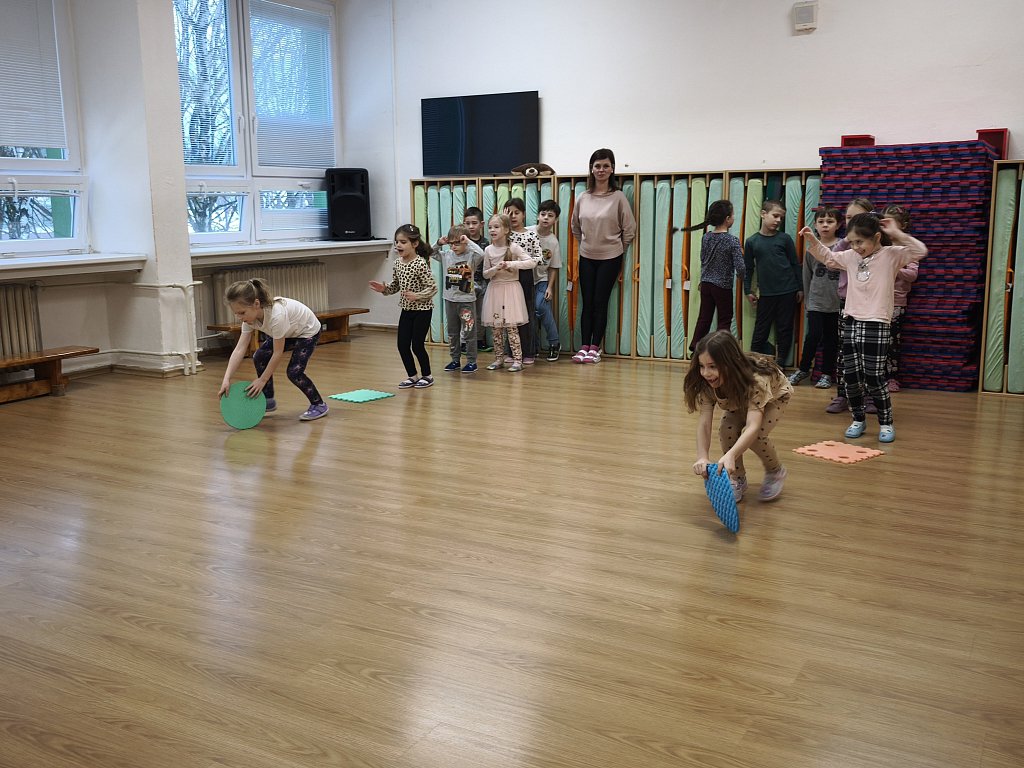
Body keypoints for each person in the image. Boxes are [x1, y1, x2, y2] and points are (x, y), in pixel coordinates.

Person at [800, 213, 927, 443]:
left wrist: (896, 233)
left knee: (874, 377)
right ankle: (858, 418)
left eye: (860, 241)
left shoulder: (890, 255)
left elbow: (920, 251)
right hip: (850, 321)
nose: (856, 247)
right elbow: (828, 257)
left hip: (877, 322)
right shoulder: (851, 256)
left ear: (876, 237)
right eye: (852, 242)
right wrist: (812, 239)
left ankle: (886, 422)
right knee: (850, 377)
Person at [684, 330, 792, 503]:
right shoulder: (707, 383)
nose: (706, 373)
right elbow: (704, 422)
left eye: (712, 366)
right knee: (727, 430)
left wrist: (731, 454)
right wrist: (702, 456)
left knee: (756, 436)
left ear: (730, 363)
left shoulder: (757, 380)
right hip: (737, 398)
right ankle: (737, 477)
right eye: (701, 366)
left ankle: (775, 471)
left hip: (774, 397)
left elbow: (753, 426)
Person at [217, 278, 328, 421]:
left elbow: (277, 353)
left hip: (307, 332)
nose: (239, 317)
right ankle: (268, 400)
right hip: (288, 331)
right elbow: (240, 349)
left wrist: (262, 380)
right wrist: (226, 379)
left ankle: (319, 404)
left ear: (256, 304)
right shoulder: (249, 319)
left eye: (242, 313)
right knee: (260, 356)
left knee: (294, 372)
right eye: (236, 313)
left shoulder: (276, 316)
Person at [570, 148, 637, 363]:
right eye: (597, 166)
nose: (601, 169)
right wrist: (587, 244)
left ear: (612, 169)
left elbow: (629, 229)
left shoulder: (618, 197)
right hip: (587, 256)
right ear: (591, 169)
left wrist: (617, 248)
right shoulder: (583, 197)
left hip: (611, 257)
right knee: (587, 302)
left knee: (600, 302)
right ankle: (584, 347)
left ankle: (595, 348)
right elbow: (575, 227)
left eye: (605, 166)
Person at [369, 224, 438, 389]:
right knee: (402, 345)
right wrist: (384, 289)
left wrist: (417, 296)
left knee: (417, 345)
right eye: (397, 242)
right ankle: (412, 376)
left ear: (414, 244)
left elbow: (432, 287)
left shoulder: (420, 263)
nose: (398, 245)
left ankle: (427, 376)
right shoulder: (398, 263)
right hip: (406, 310)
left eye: (403, 242)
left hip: (422, 311)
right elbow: (396, 285)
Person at [826, 197, 875, 414]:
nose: (851, 221)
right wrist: (848, 238)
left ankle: (870, 396)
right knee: (845, 351)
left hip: (871, 304)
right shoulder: (846, 245)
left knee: (870, 352)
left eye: (857, 218)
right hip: (847, 303)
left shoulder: (876, 246)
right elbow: (832, 259)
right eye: (848, 217)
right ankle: (843, 395)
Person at [744, 200, 803, 367]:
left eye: (781, 218)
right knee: (761, 328)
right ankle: (753, 362)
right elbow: (748, 268)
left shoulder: (785, 239)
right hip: (766, 293)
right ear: (763, 214)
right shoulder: (752, 241)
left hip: (788, 290)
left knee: (784, 328)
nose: (778, 220)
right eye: (775, 216)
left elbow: (794, 263)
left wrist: (800, 287)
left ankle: (781, 363)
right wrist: (748, 290)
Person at [682, 199, 745, 352]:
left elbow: (703, 260)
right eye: (733, 215)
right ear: (727, 219)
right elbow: (740, 267)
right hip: (722, 286)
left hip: (706, 284)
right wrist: (743, 276)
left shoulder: (706, 237)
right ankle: (721, 352)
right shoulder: (732, 240)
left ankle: (696, 348)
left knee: (704, 318)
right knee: (724, 319)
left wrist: (703, 279)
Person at [789, 206, 842, 388]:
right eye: (821, 222)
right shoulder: (811, 249)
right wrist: (808, 300)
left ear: (838, 225)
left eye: (830, 221)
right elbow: (807, 276)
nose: (825, 225)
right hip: (816, 302)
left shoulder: (843, 247)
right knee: (813, 336)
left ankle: (826, 374)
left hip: (836, 304)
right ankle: (803, 369)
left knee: (831, 339)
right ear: (816, 225)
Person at [482, 213, 536, 372]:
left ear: (506, 230)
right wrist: (495, 268)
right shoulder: (488, 250)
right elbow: (485, 274)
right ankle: (499, 359)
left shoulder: (513, 247)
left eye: (496, 227)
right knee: (496, 329)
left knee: (512, 327)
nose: (492, 230)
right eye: (490, 227)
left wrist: (511, 264)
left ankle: (518, 360)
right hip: (495, 290)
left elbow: (531, 262)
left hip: (511, 290)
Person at [431, 223, 484, 374]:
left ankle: (472, 361)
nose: (454, 246)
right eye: (451, 243)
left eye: (458, 243)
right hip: (450, 300)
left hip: (466, 301)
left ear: (465, 241)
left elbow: (481, 254)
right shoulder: (446, 255)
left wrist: (469, 241)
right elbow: (431, 253)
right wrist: (439, 243)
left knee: (469, 332)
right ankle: (455, 359)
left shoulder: (471, 256)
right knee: (452, 332)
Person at [882, 204, 918, 391]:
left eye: (892, 223)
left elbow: (912, 275)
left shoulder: (908, 247)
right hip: (876, 301)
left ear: (902, 225)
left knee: (892, 343)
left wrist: (896, 269)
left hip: (896, 302)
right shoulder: (880, 243)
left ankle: (892, 378)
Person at [504, 197, 541, 364]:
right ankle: (511, 352)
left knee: (527, 314)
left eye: (516, 212)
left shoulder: (531, 234)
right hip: (507, 276)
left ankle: (528, 352)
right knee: (509, 315)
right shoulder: (504, 233)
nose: (513, 216)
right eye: (509, 213)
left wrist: (520, 263)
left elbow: (538, 258)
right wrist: (503, 222)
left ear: (523, 214)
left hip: (525, 276)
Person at [528, 198, 563, 361]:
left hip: (542, 280)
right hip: (525, 279)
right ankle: (533, 346)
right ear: (538, 216)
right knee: (529, 313)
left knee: (540, 306)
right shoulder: (528, 232)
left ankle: (554, 343)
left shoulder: (553, 242)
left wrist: (550, 287)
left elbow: (554, 267)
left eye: (550, 215)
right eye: (543, 214)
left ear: (555, 220)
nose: (546, 218)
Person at [463, 206, 492, 352]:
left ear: (481, 224)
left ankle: (479, 340)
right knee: (467, 314)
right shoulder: (463, 242)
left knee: (481, 314)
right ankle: (464, 342)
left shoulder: (486, 243)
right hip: (468, 283)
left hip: (484, 282)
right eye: (467, 223)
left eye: (474, 223)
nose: (471, 226)